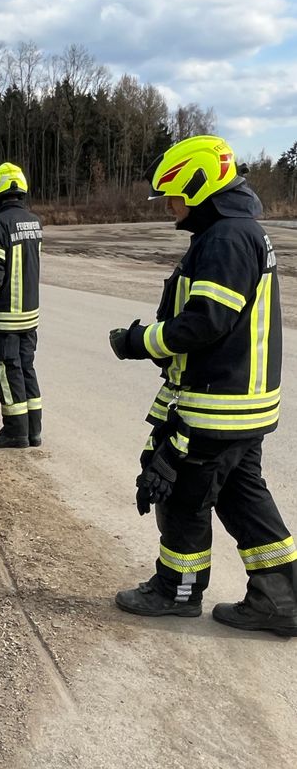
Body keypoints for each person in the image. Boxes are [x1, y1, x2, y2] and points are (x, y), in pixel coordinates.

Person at [109, 134, 296, 636]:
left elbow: (205, 322)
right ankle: (280, 600)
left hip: (219, 404)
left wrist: (139, 341)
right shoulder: (237, 232)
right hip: (243, 402)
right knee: (243, 498)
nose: (168, 206)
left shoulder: (226, 239)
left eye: (172, 196)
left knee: (183, 497)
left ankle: (176, 592)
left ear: (198, 186)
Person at [0, 162, 43, 448]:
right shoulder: (33, 221)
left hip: (5, 316)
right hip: (29, 315)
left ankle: (15, 432)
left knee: (6, 371)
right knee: (26, 369)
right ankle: (33, 431)